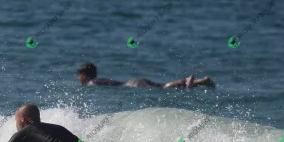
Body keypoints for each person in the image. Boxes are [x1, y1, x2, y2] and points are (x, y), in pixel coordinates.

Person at [77, 62, 215, 89]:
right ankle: (200, 81)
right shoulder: (99, 79)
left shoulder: (92, 83)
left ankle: (187, 81)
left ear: (83, 74)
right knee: (162, 86)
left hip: (133, 84)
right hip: (135, 81)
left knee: (163, 88)